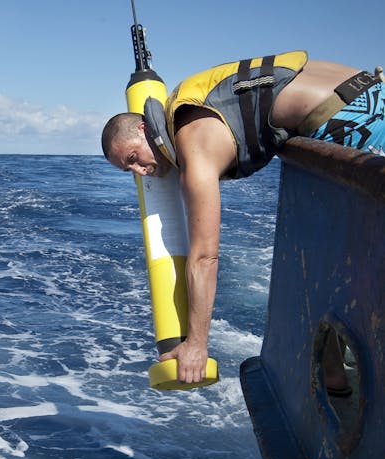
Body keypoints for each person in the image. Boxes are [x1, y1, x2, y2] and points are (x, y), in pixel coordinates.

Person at [101, 51, 385, 385]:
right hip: (371, 89)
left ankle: (347, 380)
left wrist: (196, 345)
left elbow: (205, 257)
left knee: (339, 273)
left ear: (143, 126)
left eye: (134, 157)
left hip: (354, 116)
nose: (140, 171)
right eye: (128, 169)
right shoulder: (186, 104)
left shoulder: (194, 148)